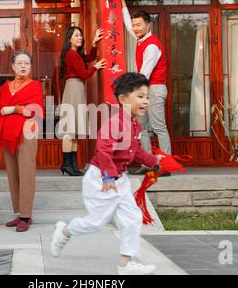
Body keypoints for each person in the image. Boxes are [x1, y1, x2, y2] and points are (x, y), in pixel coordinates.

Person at [50, 72, 164, 275]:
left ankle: (125, 264)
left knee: (132, 218)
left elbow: (136, 151)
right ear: (122, 99)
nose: (145, 101)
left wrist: (154, 161)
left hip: (119, 180)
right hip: (101, 179)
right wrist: (108, 177)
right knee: (96, 222)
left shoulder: (135, 124)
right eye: (140, 96)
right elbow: (103, 151)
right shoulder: (115, 123)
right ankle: (64, 231)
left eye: (147, 96)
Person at [120, 0, 171, 176]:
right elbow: (127, 24)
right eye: (135, 25)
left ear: (148, 25)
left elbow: (144, 74)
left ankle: (165, 165)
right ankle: (149, 163)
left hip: (154, 89)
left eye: (139, 25)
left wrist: (129, 92)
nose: (135, 28)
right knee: (140, 127)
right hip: (145, 90)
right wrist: (123, 3)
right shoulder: (141, 39)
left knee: (159, 127)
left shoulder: (151, 45)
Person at [0, 51, 44, 232]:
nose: (23, 66)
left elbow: (35, 110)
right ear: (13, 66)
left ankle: (26, 215)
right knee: (13, 173)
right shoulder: (5, 87)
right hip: (8, 135)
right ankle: (19, 212)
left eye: (27, 63)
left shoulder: (35, 86)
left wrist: (14, 108)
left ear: (30, 67)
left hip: (26, 134)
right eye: (20, 63)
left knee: (26, 172)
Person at [58, 26, 106, 176]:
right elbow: (85, 74)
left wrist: (93, 43)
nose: (80, 38)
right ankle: (67, 164)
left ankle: (71, 165)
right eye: (76, 35)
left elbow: (89, 58)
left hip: (76, 88)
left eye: (81, 35)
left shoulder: (75, 54)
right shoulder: (71, 54)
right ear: (69, 39)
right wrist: (96, 68)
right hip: (73, 88)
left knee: (74, 130)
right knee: (69, 130)